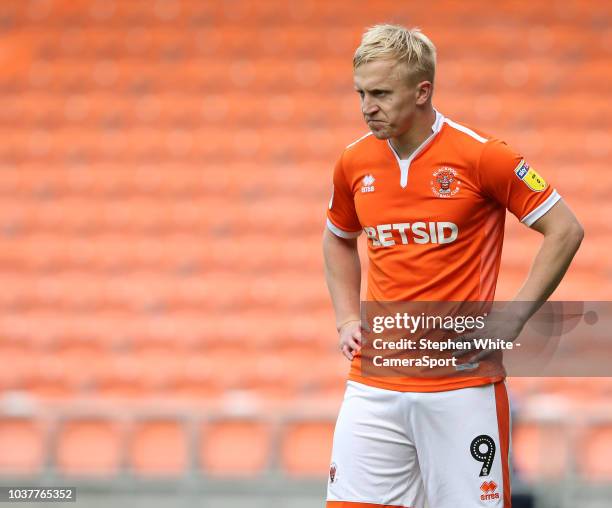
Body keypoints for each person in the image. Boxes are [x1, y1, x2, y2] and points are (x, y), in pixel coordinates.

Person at [322, 24, 583, 508]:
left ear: (422, 91)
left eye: (381, 93)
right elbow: (338, 239)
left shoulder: (483, 156)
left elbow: (565, 229)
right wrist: (345, 318)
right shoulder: (353, 162)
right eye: (360, 92)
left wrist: (512, 316)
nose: (367, 106)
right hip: (373, 382)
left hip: (461, 385)